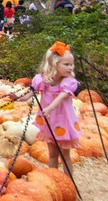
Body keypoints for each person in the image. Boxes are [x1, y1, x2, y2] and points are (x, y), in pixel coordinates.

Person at [30, 41, 80, 176]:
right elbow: (31, 93)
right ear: (54, 64)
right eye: (66, 64)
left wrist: (50, 108)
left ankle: (68, 182)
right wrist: (17, 97)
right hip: (49, 122)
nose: (70, 68)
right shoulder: (43, 80)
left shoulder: (69, 82)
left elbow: (62, 97)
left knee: (65, 155)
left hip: (63, 122)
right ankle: (54, 178)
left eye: (71, 65)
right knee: (52, 154)